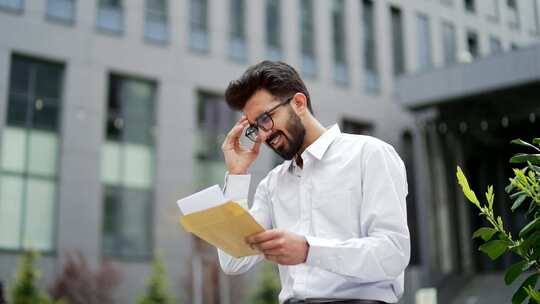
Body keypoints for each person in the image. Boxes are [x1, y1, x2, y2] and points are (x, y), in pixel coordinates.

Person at [218, 61, 410, 304]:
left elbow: (392, 254)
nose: (263, 135)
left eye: (266, 119)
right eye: (255, 128)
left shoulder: (369, 154)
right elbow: (234, 259)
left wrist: (309, 250)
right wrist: (236, 175)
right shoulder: (272, 184)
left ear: (298, 103)